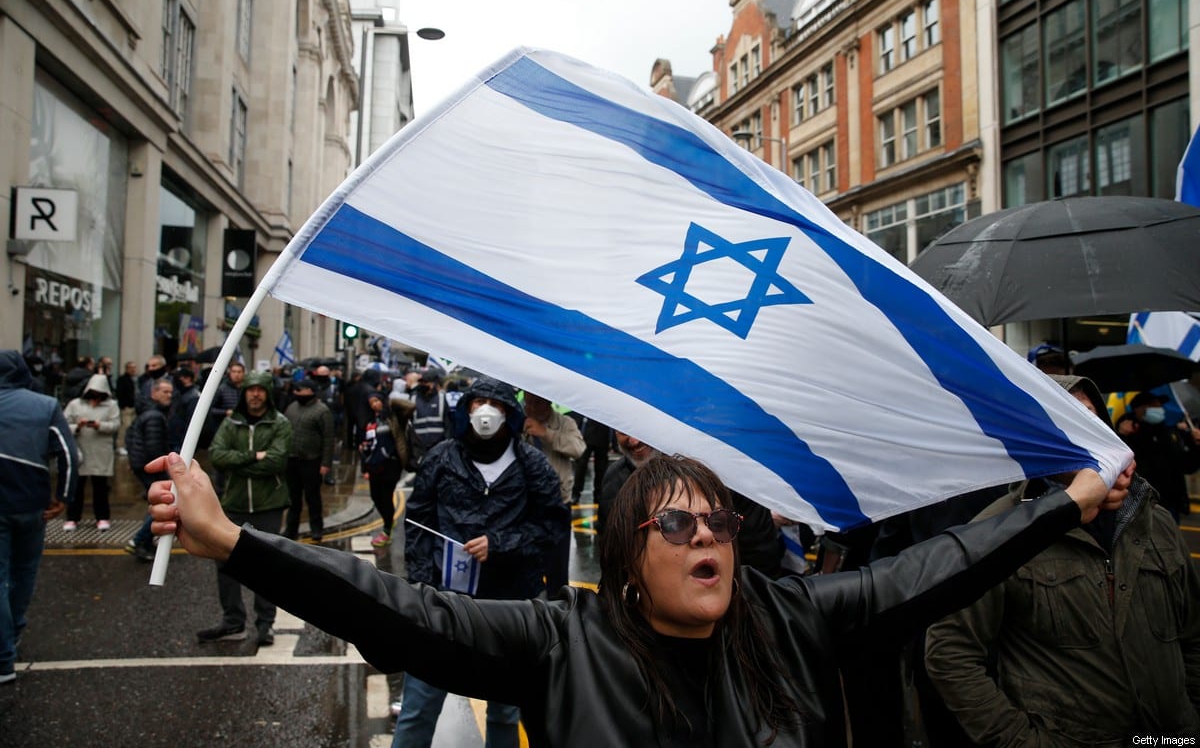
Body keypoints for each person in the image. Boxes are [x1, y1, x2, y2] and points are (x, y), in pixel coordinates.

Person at [148, 447, 1124, 745]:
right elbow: (398, 609)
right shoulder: (559, 640)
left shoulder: (793, 616)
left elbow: (938, 565)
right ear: (626, 555)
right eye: (677, 524)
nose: (707, 536)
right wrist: (233, 540)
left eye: (719, 523)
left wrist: (1061, 504)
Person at [925, 373, 1200, 746]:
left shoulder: (1154, 519)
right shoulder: (999, 530)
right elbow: (950, 653)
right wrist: (1021, 741)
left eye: (1090, 417)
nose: (1084, 430)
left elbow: (1191, 632)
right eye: (1066, 418)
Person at [395, 377, 566, 748]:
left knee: (505, 709)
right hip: (443, 604)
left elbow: (551, 526)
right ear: (466, 408)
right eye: (479, 401)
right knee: (419, 705)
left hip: (508, 604)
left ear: (509, 412)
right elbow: (417, 523)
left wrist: (502, 545)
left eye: (496, 403)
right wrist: (422, 588)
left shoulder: (530, 463)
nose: (486, 410)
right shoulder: (441, 457)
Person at [0, 349, 77, 685]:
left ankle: (3, 659)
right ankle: (13, 632)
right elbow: (69, 456)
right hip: (33, 502)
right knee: (24, 571)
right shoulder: (44, 404)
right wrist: (64, 497)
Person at [202, 369, 292, 646]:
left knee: (265, 567)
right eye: (250, 389)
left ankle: (265, 624)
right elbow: (216, 456)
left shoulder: (280, 423)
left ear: (268, 393)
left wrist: (239, 464)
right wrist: (253, 456)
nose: (255, 394)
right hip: (235, 503)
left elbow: (276, 462)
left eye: (260, 389)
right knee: (227, 564)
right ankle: (233, 621)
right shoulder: (232, 424)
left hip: (269, 504)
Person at [521, 391, 584, 593]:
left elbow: (578, 449)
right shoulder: (519, 421)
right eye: (527, 403)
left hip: (558, 503)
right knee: (528, 565)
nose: (531, 408)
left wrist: (546, 434)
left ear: (548, 402)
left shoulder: (565, 423)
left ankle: (559, 611)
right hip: (526, 504)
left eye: (536, 403)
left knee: (557, 566)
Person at [1118, 389, 1200, 522]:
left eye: (1159, 405)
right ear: (1139, 410)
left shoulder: (1170, 434)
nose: (1159, 409)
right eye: (1153, 405)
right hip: (1140, 507)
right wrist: (1122, 436)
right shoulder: (1129, 434)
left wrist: (1196, 447)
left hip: (1170, 505)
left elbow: (1186, 466)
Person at [61, 373, 121, 531]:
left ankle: (102, 517)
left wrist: (99, 425)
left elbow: (115, 425)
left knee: (100, 487)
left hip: (101, 451)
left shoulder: (111, 405)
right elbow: (63, 425)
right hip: (80, 449)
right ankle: (72, 518)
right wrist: (78, 427)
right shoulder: (75, 404)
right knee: (77, 487)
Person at [124, 378, 175, 561]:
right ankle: (138, 541)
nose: (169, 395)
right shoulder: (154, 415)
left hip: (142, 464)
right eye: (164, 392)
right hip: (150, 466)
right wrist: (165, 469)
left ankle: (145, 543)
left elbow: (130, 436)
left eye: (170, 392)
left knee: (158, 503)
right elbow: (154, 448)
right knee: (165, 501)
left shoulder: (149, 412)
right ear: (154, 393)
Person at [282, 380, 335, 542]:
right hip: (292, 460)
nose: (299, 393)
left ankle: (316, 529)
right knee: (293, 498)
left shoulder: (322, 411)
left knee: (313, 498)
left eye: (303, 390)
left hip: (312, 461)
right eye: (298, 390)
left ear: (312, 391)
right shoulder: (291, 408)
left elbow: (328, 438)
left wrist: (326, 464)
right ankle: (291, 530)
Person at [358, 392, 411, 548]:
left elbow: (410, 407)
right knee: (375, 496)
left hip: (391, 464)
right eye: (371, 402)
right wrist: (364, 463)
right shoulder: (370, 421)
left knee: (386, 497)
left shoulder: (394, 417)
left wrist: (391, 402)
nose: (374, 404)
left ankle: (387, 530)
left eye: (377, 401)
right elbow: (367, 444)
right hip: (374, 465)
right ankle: (389, 521)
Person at [597, 430, 658, 533]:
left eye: (641, 428)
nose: (634, 441)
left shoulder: (684, 471)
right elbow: (608, 534)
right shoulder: (614, 477)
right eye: (624, 432)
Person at [406, 367, 452, 469]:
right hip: (419, 450)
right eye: (422, 382)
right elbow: (409, 427)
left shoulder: (441, 399)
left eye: (426, 382)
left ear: (434, 384)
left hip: (438, 449)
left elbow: (448, 425)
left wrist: (447, 448)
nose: (424, 385)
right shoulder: (412, 398)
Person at [570, 413, 613, 505]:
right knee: (581, 466)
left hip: (602, 433)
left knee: (601, 468)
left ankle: (598, 494)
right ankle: (576, 493)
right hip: (586, 434)